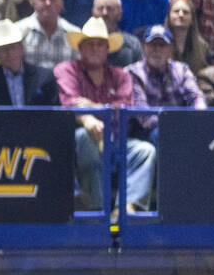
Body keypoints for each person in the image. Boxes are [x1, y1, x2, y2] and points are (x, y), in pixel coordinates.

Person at [54, 17, 156, 212]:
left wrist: (92, 106)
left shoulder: (121, 75)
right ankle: (98, 211)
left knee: (145, 151)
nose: (95, 48)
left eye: (100, 44)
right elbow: (70, 101)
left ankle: (125, 208)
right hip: (78, 142)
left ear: (107, 49)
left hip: (117, 140)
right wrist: (86, 119)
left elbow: (125, 106)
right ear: (80, 48)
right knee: (85, 137)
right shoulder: (66, 70)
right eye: (89, 44)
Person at [126, 24, 205, 209]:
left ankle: (203, 199)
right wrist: (176, 126)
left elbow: (196, 97)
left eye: (162, 45)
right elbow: (143, 116)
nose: (157, 50)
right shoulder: (132, 72)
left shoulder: (182, 69)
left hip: (179, 129)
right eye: (153, 45)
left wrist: (199, 118)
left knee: (202, 136)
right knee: (165, 137)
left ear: (170, 49)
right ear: (144, 47)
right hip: (145, 132)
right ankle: (176, 203)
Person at [0, 17, 57, 105]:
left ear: (21, 48)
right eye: (4, 49)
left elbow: (54, 113)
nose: (10, 53)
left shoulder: (44, 78)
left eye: (13, 47)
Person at [16, 0, 78, 72]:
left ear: (61, 4)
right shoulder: (18, 31)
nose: (48, 3)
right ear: (33, 2)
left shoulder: (74, 33)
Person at [92, 0, 141, 68]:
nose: (105, 13)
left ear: (120, 14)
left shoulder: (132, 45)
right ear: (93, 13)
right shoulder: (83, 43)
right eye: (100, 8)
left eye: (110, 9)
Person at [165, 0, 208, 74]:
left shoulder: (202, 46)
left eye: (185, 12)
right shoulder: (161, 43)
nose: (181, 15)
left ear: (192, 19)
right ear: (169, 16)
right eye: (176, 11)